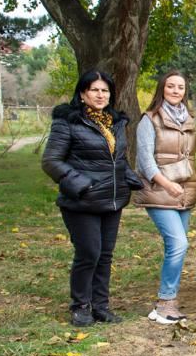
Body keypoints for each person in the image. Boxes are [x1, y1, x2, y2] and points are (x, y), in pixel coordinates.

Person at [42, 70, 143, 327]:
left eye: (105, 90)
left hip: (112, 200)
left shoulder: (115, 122)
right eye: (94, 90)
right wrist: (81, 185)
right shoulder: (68, 121)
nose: (100, 95)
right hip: (82, 201)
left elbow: (118, 158)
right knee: (89, 253)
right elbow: (51, 161)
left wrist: (129, 177)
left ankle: (100, 306)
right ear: (82, 93)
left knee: (105, 255)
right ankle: (80, 306)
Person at [134, 70, 196, 324]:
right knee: (178, 243)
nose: (175, 91)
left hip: (183, 191)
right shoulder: (149, 120)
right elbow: (145, 160)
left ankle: (169, 301)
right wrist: (166, 183)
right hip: (159, 190)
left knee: (178, 246)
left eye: (180, 87)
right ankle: (164, 303)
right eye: (171, 86)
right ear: (162, 88)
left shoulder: (189, 121)